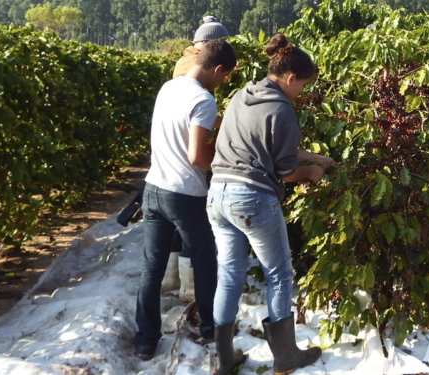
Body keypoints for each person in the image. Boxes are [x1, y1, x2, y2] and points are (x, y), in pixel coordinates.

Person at [207, 33, 338, 375]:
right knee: (279, 273)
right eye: (303, 86)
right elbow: (284, 170)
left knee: (230, 274)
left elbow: (258, 144)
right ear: (291, 78)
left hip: (218, 194)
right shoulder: (282, 109)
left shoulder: (242, 95)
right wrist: (310, 171)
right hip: (251, 198)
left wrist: (313, 155)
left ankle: (224, 362)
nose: (303, 93)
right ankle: (286, 357)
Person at [134, 39, 237, 360]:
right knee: (205, 262)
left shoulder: (169, 87)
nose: (222, 83)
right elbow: (195, 155)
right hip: (185, 195)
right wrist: (225, 166)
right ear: (217, 68)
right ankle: (210, 328)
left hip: (153, 188)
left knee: (152, 268)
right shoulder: (203, 100)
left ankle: (146, 340)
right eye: (225, 77)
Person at [161, 15, 230, 302]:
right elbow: (196, 150)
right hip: (184, 178)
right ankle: (196, 303)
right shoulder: (199, 88)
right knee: (198, 245)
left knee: (168, 242)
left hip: (162, 176)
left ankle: (170, 282)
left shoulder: (173, 82)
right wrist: (226, 165)